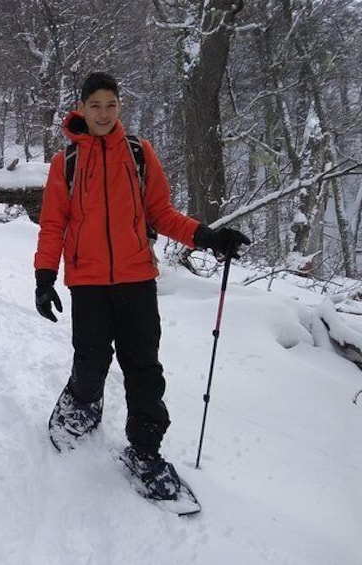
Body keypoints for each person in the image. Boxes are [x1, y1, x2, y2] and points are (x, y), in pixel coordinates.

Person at [34, 72, 249, 497]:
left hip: (136, 279)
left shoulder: (138, 153)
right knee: (91, 358)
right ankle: (83, 400)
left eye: (110, 105)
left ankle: (145, 449)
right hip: (88, 281)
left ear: (120, 108)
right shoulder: (67, 161)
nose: (103, 113)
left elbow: (162, 213)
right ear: (81, 107)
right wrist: (44, 277)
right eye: (94, 105)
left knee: (144, 368)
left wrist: (207, 237)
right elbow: (53, 224)